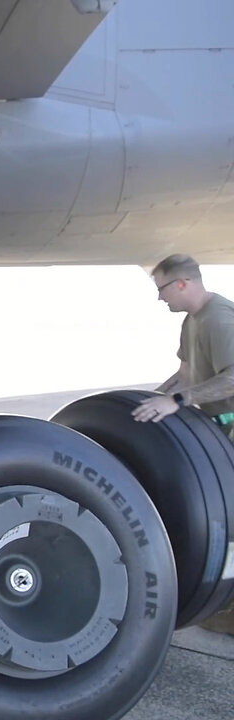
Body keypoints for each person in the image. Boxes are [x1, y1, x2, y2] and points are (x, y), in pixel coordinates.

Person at [131, 254, 234, 635]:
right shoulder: (193, 321)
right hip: (222, 426)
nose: (160, 300)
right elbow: (186, 374)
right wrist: (144, 400)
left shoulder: (220, 318)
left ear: (183, 284)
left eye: (161, 289)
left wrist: (177, 402)